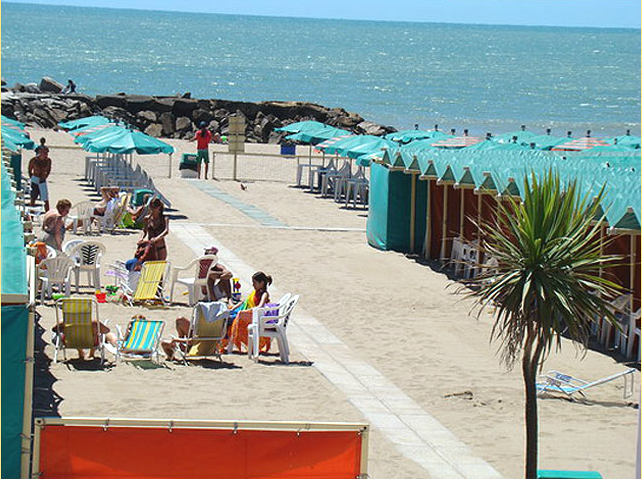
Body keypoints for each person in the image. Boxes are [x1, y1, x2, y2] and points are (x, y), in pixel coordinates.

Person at [226, 271, 273, 352]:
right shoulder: (255, 292)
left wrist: (248, 311)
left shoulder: (264, 294)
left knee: (230, 320)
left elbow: (260, 306)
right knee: (226, 316)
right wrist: (234, 307)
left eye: (255, 283)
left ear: (261, 283)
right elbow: (244, 302)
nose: (253, 285)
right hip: (246, 313)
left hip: (253, 316)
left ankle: (229, 344)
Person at [52, 317, 117, 360]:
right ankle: (91, 354)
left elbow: (54, 329)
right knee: (96, 333)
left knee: (74, 335)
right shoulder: (94, 322)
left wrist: (63, 326)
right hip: (92, 342)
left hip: (71, 342)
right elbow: (107, 330)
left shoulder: (65, 321)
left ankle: (80, 352)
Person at [28, 147, 52, 211]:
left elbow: (48, 170)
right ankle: (31, 213)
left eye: (46, 153)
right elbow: (30, 170)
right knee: (33, 197)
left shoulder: (48, 161)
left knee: (45, 198)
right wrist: (32, 178)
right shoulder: (34, 160)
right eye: (44, 152)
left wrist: (45, 176)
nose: (46, 154)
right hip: (35, 178)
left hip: (42, 179)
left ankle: (47, 212)